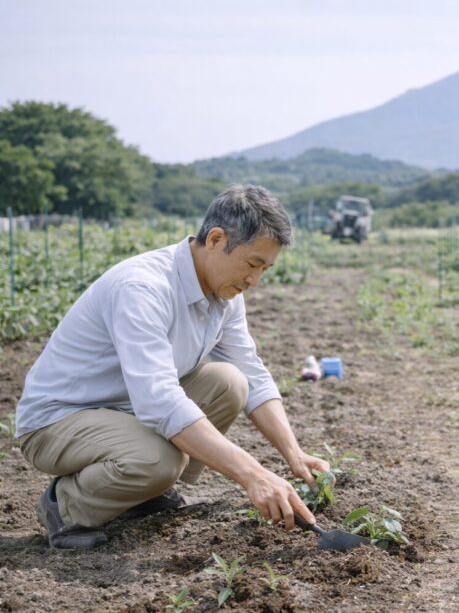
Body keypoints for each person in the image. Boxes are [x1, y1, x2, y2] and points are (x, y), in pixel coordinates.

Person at [16, 184, 328, 550]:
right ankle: (66, 507)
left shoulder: (224, 294)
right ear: (215, 239)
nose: (254, 281)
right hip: (59, 419)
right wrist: (253, 475)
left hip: (125, 408)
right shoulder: (144, 288)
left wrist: (293, 454)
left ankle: (142, 493)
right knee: (159, 459)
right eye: (252, 263)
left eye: (266, 269)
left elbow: (253, 374)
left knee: (231, 382)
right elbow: (160, 401)